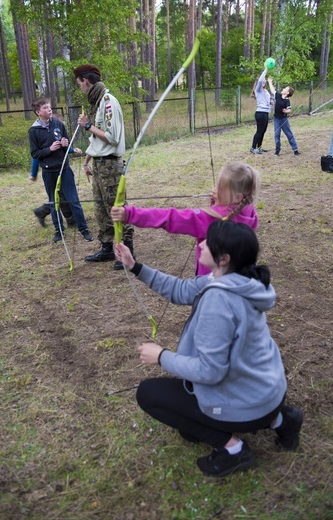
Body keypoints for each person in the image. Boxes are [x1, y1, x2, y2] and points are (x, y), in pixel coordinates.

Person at [114, 221, 304, 477]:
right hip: (269, 392)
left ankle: (233, 450)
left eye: (207, 242)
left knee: (148, 394)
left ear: (223, 258)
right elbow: (180, 290)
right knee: (188, 431)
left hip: (251, 401)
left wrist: (160, 356)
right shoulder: (241, 279)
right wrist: (134, 266)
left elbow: (210, 371)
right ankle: (282, 420)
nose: (200, 244)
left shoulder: (219, 300)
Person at [112, 162, 259, 276]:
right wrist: (220, 202)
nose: (214, 190)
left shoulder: (210, 219)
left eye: (220, 188)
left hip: (208, 283)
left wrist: (129, 214)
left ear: (238, 197)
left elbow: (170, 218)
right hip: (236, 280)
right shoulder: (248, 211)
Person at [73, 64, 134, 270]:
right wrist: (88, 159)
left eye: (79, 84)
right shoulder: (97, 103)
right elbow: (97, 141)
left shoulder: (108, 102)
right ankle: (107, 247)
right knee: (100, 209)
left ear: (86, 81)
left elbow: (111, 138)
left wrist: (88, 125)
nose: (80, 88)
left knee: (116, 207)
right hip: (99, 164)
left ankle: (127, 250)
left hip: (110, 165)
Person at [28, 97, 93, 244]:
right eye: (45, 108)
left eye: (49, 107)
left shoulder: (58, 125)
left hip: (64, 169)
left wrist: (65, 144)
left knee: (73, 200)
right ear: (38, 112)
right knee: (54, 203)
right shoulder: (34, 131)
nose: (49, 109)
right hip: (48, 172)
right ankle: (59, 232)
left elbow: (67, 143)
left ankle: (84, 230)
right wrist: (49, 149)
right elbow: (35, 154)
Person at [31, 151, 81, 228]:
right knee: (61, 195)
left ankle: (42, 212)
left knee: (61, 195)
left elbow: (60, 146)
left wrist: (71, 149)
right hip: (52, 170)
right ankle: (70, 219)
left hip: (60, 167)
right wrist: (34, 173)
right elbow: (36, 155)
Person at [267, 79, 300, 156]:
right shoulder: (278, 95)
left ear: (287, 93)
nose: (283, 88)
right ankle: (277, 150)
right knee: (277, 135)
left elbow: (289, 110)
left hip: (284, 120)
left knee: (289, 134)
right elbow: (272, 90)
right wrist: (270, 82)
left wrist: (286, 111)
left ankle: (295, 149)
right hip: (276, 119)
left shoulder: (287, 101)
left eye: (285, 88)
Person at [250, 66, 272, 154]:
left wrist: (271, 102)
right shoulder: (258, 90)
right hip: (260, 113)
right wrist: (266, 69)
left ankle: (259, 147)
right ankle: (253, 148)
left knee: (263, 130)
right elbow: (260, 81)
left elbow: (268, 101)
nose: (263, 82)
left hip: (266, 113)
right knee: (259, 131)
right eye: (262, 81)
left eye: (264, 81)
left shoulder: (265, 91)